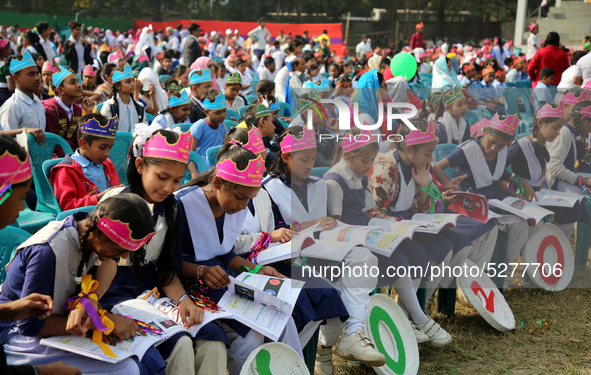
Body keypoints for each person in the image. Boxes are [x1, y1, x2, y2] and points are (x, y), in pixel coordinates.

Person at [175, 143, 303, 375]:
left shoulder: (234, 205)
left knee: (284, 320)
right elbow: (166, 265)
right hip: (189, 287)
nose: (244, 206)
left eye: (249, 200)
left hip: (222, 278)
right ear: (217, 183)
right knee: (250, 334)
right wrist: (201, 271)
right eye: (240, 198)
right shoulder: (183, 205)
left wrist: (255, 270)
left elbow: (223, 250)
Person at [100, 125, 216, 375]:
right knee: (180, 344)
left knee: (209, 334)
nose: (168, 188)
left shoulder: (173, 209)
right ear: (140, 166)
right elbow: (90, 269)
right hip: (109, 291)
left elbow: (166, 270)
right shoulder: (115, 204)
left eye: (176, 180)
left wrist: (184, 300)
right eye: (162, 177)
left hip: (150, 290)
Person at [0, 193, 156, 375]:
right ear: (99, 233)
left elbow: (109, 263)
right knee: (127, 369)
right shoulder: (48, 252)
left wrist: (90, 299)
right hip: (16, 336)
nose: (124, 257)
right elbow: (29, 325)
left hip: (56, 325)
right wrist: (96, 323)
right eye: (121, 249)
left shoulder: (86, 227)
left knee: (145, 356)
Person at [433, 114, 542, 263]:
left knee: (527, 222)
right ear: (484, 131)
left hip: (495, 199)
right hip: (473, 201)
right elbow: (437, 167)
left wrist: (520, 186)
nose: (494, 148)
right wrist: (450, 187)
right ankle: (476, 272)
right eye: (491, 142)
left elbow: (498, 174)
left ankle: (504, 263)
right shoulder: (468, 149)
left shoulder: (501, 151)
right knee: (492, 228)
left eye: (501, 146)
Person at [507, 102, 589, 239]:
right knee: (567, 210)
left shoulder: (543, 145)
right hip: (521, 196)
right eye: (555, 128)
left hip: (538, 194)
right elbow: (498, 171)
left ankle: (555, 247)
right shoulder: (520, 145)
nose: (558, 133)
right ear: (540, 123)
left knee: (574, 206)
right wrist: (522, 183)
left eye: (559, 129)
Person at [49, 113, 120, 210]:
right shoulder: (66, 170)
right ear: (83, 144)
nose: (107, 153)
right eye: (102, 148)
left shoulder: (107, 164)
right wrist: (99, 198)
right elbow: (66, 205)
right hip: (84, 220)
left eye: (110, 148)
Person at [546, 99, 591, 220]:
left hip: (566, 184)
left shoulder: (571, 133)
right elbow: (553, 166)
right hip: (557, 187)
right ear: (583, 120)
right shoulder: (564, 132)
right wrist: (583, 180)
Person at [43, 68, 94, 155]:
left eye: (78, 81)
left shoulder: (77, 109)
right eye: (72, 82)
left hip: (72, 156)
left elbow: (78, 139)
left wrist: (88, 112)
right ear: (60, 90)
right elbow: (52, 143)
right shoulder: (50, 110)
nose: (79, 85)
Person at [0, 51, 46, 132]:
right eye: (31, 74)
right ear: (15, 78)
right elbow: (7, 141)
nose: (38, 78)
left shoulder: (38, 102)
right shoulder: (12, 107)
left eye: (37, 73)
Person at [100, 65, 146, 132]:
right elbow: (104, 132)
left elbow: (144, 130)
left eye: (133, 81)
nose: (133, 84)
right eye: (128, 81)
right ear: (118, 86)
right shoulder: (109, 107)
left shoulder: (140, 107)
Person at [190, 90, 227, 165]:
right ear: (206, 112)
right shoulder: (199, 126)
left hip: (218, 163)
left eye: (224, 111)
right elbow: (190, 154)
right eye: (218, 113)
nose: (222, 115)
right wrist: (194, 174)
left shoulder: (222, 124)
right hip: (202, 165)